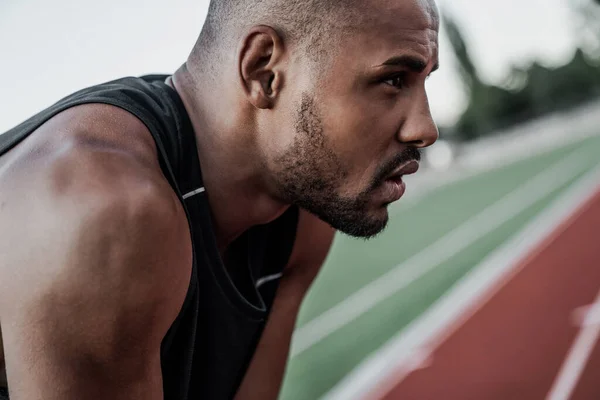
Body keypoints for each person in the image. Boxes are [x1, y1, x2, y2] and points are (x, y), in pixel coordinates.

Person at [0, 0, 439, 398]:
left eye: (423, 82)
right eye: (393, 79)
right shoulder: (101, 209)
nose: (425, 128)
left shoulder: (305, 209)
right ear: (264, 70)